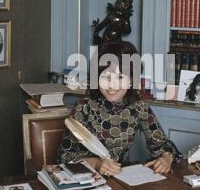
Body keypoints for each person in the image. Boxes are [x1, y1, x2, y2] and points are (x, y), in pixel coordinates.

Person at [57, 41, 181, 176]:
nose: (112, 85)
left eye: (120, 77)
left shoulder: (138, 107)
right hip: (85, 178)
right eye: (105, 77)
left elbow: (162, 144)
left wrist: (166, 158)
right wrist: (97, 163)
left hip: (119, 178)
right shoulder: (84, 107)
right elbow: (64, 157)